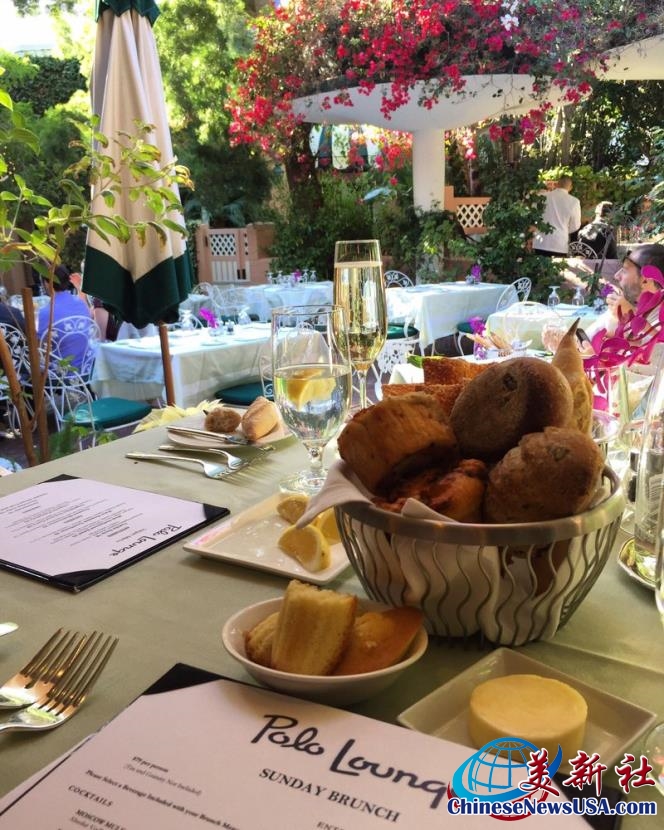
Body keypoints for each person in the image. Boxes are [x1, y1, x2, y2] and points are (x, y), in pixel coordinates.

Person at [584, 243, 664, 375]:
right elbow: (585, 339)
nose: (616, 276)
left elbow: (651, 369)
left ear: (645, 281)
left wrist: (597, 359)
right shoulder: (624, 307)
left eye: (625, 270)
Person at [37, 264, 94, 372]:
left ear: (47, 283)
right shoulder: (81, 304)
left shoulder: (46, 312)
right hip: (87, 367)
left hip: (60, 373)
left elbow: (40, 346)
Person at [533, 175, 582, 256]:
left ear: (557, 184)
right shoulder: (574, 201)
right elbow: (575, 226)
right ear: (570, 187)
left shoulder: (542, 197)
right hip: (559, 243)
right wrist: (564, 230)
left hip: (541, 242)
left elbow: (533, 214)